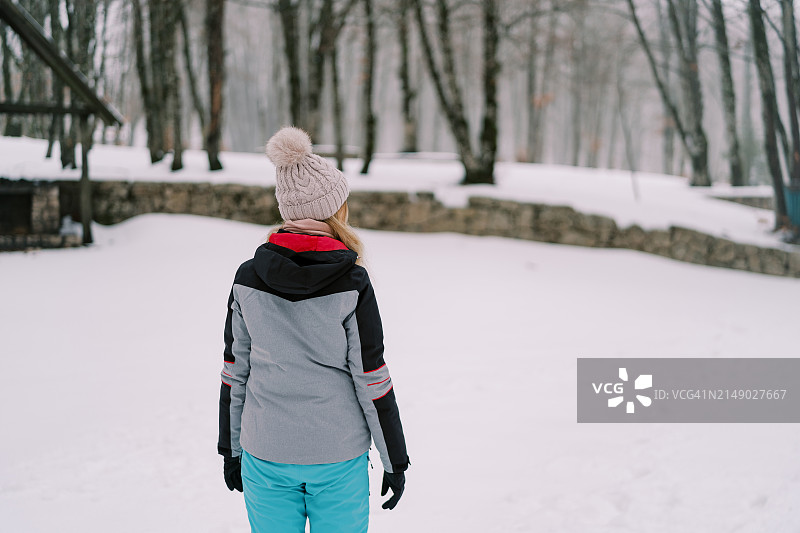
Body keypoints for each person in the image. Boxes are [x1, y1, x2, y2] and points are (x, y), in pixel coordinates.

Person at [217, 126, 410, 532]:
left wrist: (230, 449)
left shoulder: (248, 278)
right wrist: (394, 459)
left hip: (265, 452)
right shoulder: (352, 282)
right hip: (337, 455)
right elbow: (371, 377)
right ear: (335, 210)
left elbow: (235, 372)